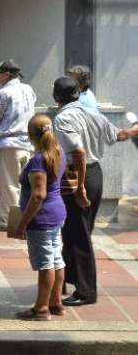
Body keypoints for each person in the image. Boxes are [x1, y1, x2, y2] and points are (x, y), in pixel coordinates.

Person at [51, 77, 138, 306]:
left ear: (56, 97)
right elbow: (117, 135)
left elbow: (78, 152)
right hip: (95, 174)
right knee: (76, 231)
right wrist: (134, 130)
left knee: (77, 234)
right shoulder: (92, 113)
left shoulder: (63, 118)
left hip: (78, 176)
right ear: (77, 94)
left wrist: (79, 187)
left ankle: (86, 291)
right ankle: (67, 278)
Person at [13, 114, 67, 321]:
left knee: (46, 263)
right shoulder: (57, 151)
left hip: (42, 218)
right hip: (56, 213)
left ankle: (42, 308)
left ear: (30, 135)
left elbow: (38, 195)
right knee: (56, 259)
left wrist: (22, 224)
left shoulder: (38, 160)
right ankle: (56, 303)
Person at [0, 59, 37, 231]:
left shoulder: (3, 93)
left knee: (10, 186)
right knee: (24, 186)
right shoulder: (28, 89)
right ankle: (25, 220)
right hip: (28, 143)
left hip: (10, 144)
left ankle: (9, 223)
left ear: (6, 75)